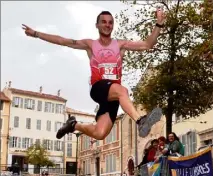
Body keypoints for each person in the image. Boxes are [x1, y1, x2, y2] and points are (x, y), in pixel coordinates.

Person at [22, 8, 165, 141]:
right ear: (97, 25)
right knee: (122, 90)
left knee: (100, 133)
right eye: (103, 22)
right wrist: (36, 34)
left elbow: (147, 44)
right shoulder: (90, 44)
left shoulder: (120, 44)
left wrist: (159, 24)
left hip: (113, 96)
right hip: (98, 87)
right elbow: (62, 41)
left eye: (110, 23)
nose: (107, 25)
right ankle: (140, 121)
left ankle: (73, 125)